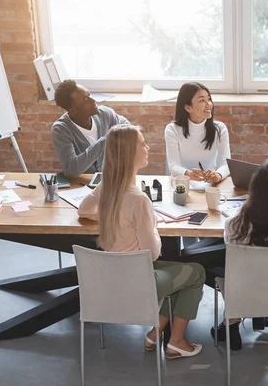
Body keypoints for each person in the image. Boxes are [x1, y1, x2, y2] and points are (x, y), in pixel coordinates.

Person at [78, 124, 205, 359]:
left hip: (110, 276)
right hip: (138, 282)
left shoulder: (109, 188)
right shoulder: (139, 201)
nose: (147, 148)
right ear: (129, 153)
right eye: (142, 144)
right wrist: (153, 225)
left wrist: (113, 214)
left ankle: (156, 333)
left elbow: (84, 210)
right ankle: (176, 341)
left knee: (181, 274)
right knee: (195, 273)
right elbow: (153, 253)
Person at [211, 158, 268, 351]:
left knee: (213, 265)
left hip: (241, 294)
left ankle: (231, 323)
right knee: (266, 269)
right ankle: (259, 316)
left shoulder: (234, 225)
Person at [51, 79, 129, 177]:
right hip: (82, 185)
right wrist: (106, 140)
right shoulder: (61, 130)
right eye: (85, 100)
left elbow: (126, 125)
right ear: (72, 109)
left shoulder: (104, 114)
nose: (93, 100)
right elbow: (71, 169)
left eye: (89, 95)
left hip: (111, 180)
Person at [165, 82, 231, 184]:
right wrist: (188, 173)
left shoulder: (220, 128)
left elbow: (226, 163)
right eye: (202, 100)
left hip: (211, 185)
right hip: (183, 184)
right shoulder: (172, 130)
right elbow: (173, 165)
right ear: (188, 108)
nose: (208, 104)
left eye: (208, 99)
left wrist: (218, 175)